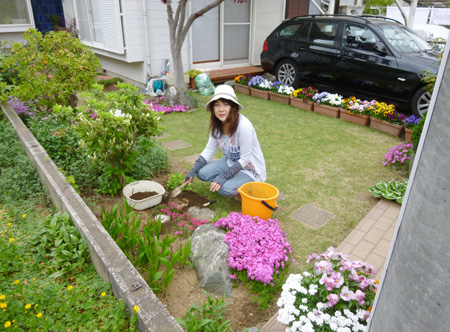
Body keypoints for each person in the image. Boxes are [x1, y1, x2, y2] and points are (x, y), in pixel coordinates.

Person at [183, 84, 266, 198]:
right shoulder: (217, 126)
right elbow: (210, 149)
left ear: (233, 107)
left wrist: (223, 177)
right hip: (230, 162)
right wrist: (193, 170)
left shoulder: (243, 126)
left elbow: (246, 158)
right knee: (201, 173)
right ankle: (234, 181)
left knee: (225, 189)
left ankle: (246, 188)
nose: (221, 109)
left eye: (225, 104)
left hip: (250, 170)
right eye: (217, 105)